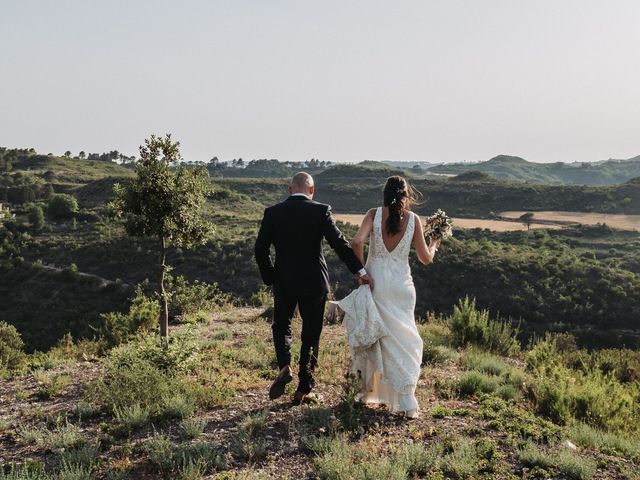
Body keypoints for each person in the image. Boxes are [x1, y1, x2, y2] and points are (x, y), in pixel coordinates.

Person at [254, 172, 372, 405]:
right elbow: (339, 244)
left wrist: (270, 276)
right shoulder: (320, 211)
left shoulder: (273, 212)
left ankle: (284, 365)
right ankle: (304, 388)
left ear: (290, 189)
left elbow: (260, 249)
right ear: (312, 190)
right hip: (314, 281)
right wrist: (359, 271)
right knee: (311, 333)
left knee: (282, 325)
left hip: (284, 280)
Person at [338, 175, 440, 417]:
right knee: (404, 340)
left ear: (385, 194)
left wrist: (362, 272)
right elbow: (426, 259)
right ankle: (406, 400)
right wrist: (434, 242)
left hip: (377, 284)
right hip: (403, 288)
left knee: (375, 338)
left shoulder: (373, 215)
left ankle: (366, 391)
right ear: (406, 196)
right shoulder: (414, 220)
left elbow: (356, 242)